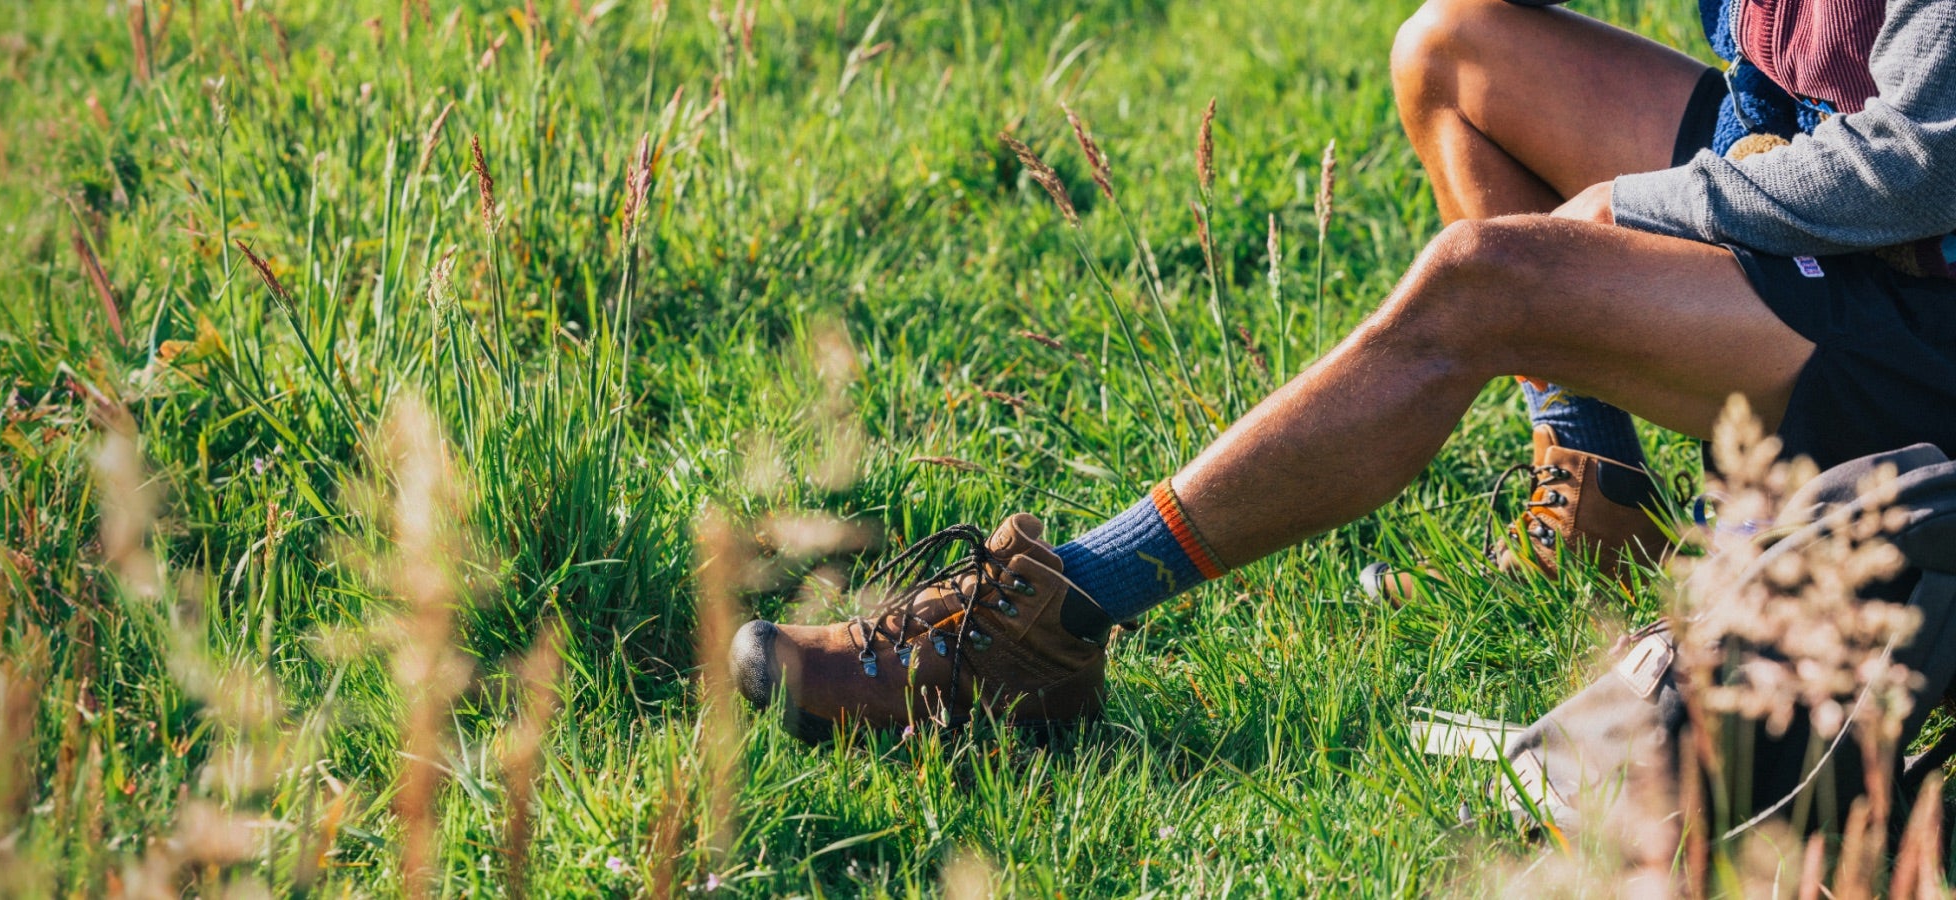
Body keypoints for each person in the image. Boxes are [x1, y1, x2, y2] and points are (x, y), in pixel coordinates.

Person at [732, 0, 1956, 739]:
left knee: (1485, 280)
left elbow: (1918, 163)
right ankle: (1599, 504)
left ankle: (1048, 628)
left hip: (1922, 312)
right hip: (1806, 163)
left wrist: (1632, 205)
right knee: (1455, 51)